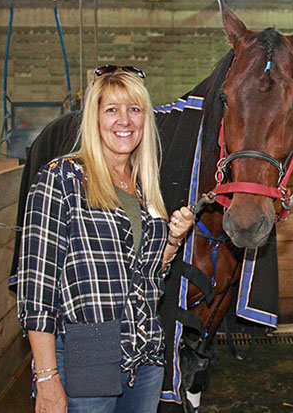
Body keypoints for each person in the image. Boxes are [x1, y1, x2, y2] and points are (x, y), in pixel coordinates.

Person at [17, 66, 195, 413]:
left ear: (145, 119)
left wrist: (173, 241)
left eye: (134, 109)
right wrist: (46, 377)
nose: (124, 120)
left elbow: (145, 275)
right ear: (94, 118)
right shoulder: (62, 178)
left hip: (146, 350)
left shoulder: (144, 186)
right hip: (90, 346)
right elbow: (36, 289)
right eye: (112, 109)